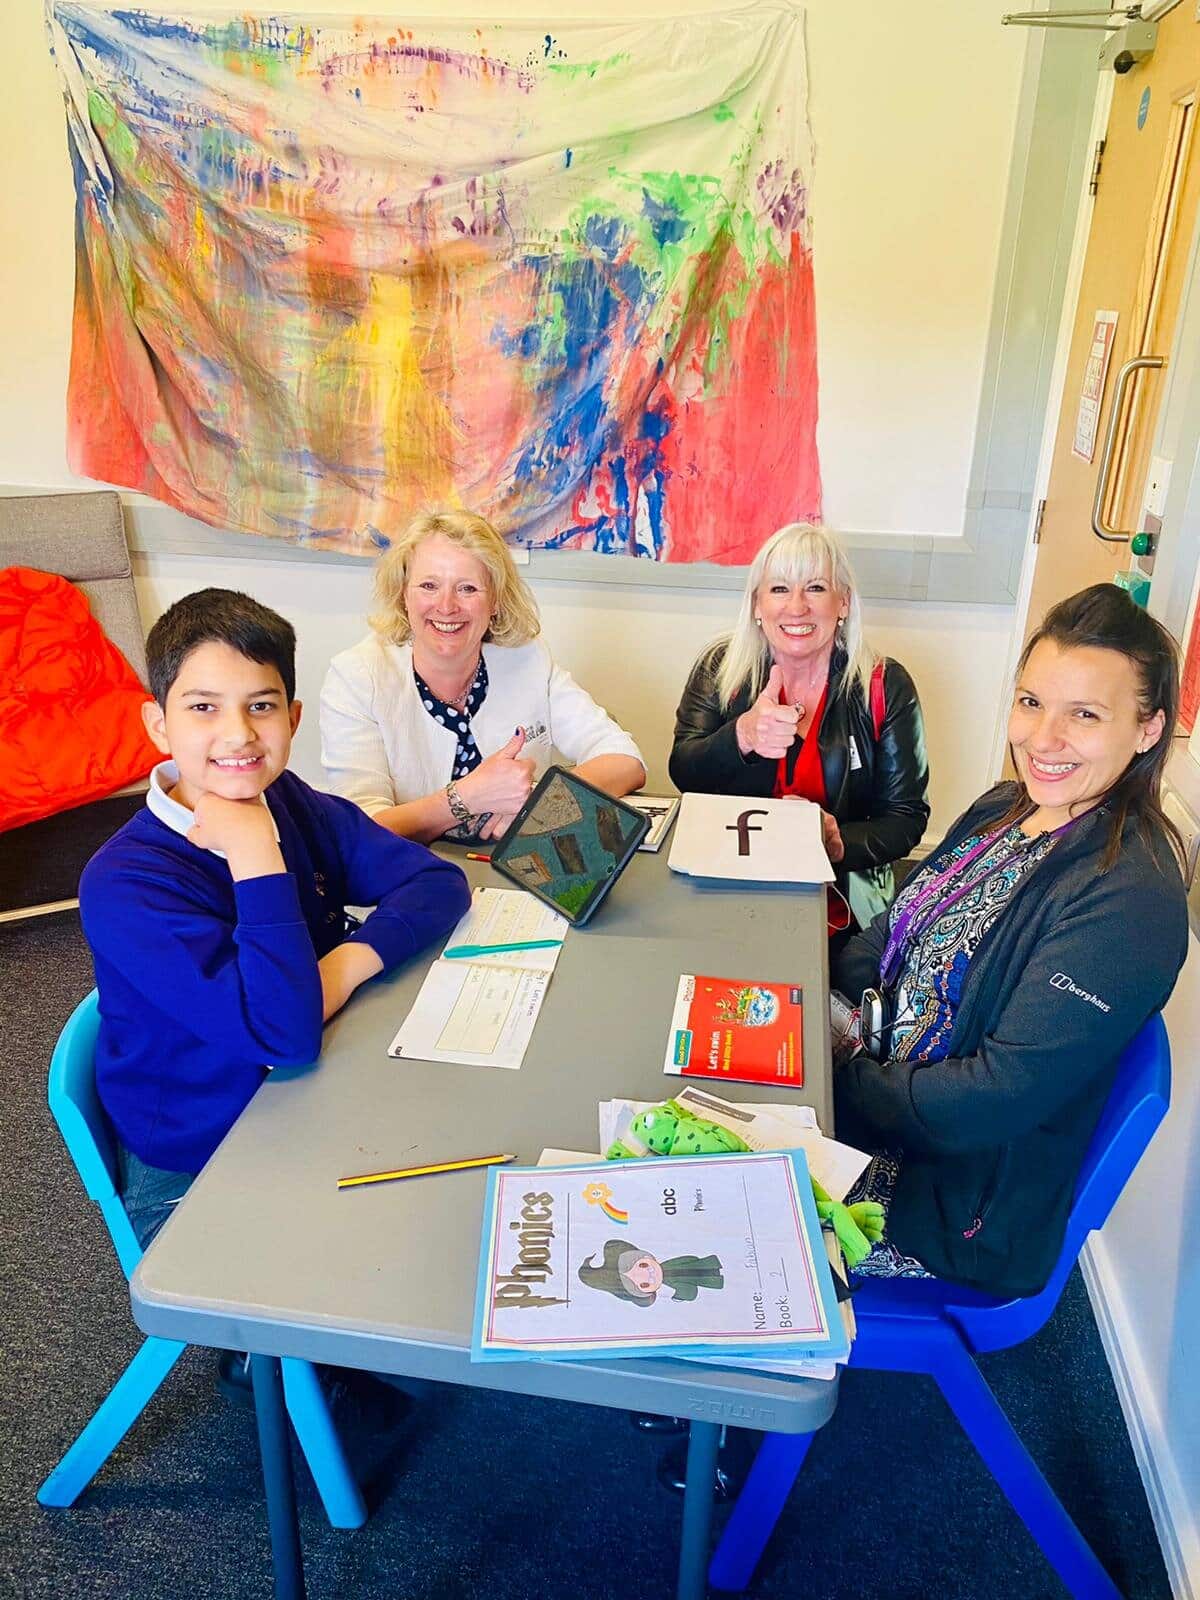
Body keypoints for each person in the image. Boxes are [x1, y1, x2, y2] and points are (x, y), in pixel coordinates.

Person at [79, 588, 471, 1249]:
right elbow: (284, 1034)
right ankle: (254, 1354)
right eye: (203, 708)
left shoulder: (285, 795)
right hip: (199, 1158)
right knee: (404, 1254)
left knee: (454, 1193)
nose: (237, 734)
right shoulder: (125, 885)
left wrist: (341, 968)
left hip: (307, 1086)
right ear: (157, 724)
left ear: (290, 718)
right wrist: (254, 852)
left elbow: (437, 883)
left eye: (260, 706)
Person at [833, 583, 1188, 1297]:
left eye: (1084, 715)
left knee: (702, 1195)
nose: (1042, 739)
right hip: (870, 1106)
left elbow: (993, 1097)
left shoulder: (1130, 901)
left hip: (938, 1200)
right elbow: (890, 926)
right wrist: (833, 1012)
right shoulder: (1007, 806)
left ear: (1148, 728)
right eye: (1031, 702)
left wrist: (837, 1078)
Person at [320, 509, 646, 843]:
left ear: (495, 600)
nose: (446, 606)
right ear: (403, 595)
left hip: (513, 869)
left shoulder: (526, 657)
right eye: (429, 586)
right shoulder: (357, 677)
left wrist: (543, 805)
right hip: (408, 877)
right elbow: (358, 831)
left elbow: (624, 759)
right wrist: (466, 798)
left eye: (468, 588)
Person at [669, 523, 929, 929]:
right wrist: (743, 736)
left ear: (842, 602)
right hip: (730, 887)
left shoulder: (884, 686)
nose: (796, 607)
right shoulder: (720, 669)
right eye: (778, 589)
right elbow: (683, 771)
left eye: (815, 588)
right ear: (756, 605)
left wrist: (837, 841)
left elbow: (905, 816)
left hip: (841, 901)